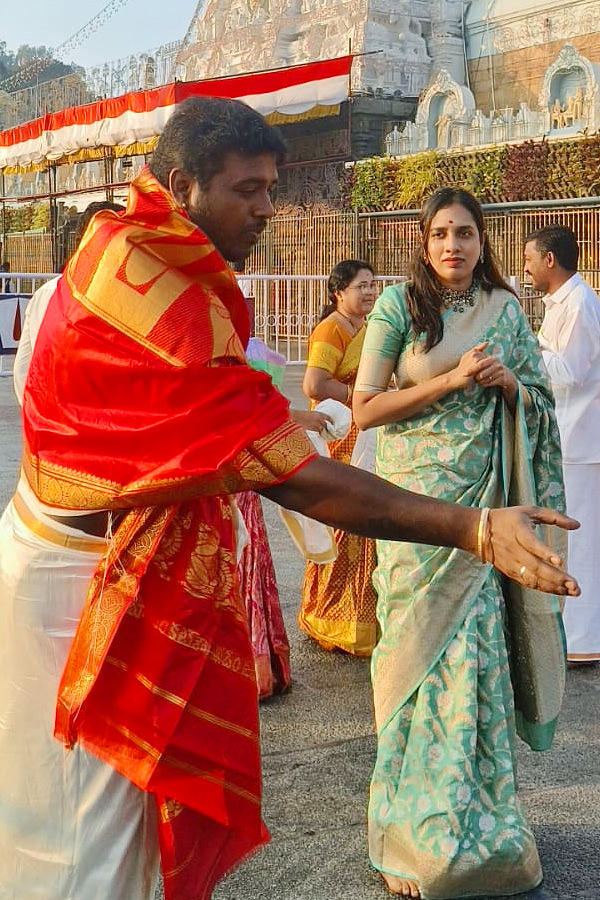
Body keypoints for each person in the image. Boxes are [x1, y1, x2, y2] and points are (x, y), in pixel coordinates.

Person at [0, 100, 578, 900]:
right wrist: (473, 526)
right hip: (85, 580)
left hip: (83, 547)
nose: (270, 208)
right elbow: (299, 472)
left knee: (102, 821)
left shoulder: (126, 246)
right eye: (250, 190)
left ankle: (478, 829)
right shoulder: (166, 307)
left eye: (273, 187)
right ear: (183, 184)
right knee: (87, 832)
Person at [353, 188, 569, 899]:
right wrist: (448, 379)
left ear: (483, 243)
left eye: (467, 234)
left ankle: (481, 829)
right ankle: (409, 832)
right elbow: (366, 407)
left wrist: (511, 387)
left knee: (473, 669)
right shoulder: (396, 309)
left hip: (483, 517)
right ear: (423, 243)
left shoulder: (506, 312)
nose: (454, 246)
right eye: (441, 234)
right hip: (414, 518)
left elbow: (539, 404)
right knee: (409, 665)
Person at [524, 224, 600, 665]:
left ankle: (583, 639)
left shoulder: (579, 304)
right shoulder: (563, 302)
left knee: (583, 541)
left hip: (581, 439)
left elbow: (569, 372)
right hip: (568, 436)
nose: (526, 267)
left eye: (530, 258)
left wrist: (525, 350)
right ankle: (576, 635)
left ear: (550, 260)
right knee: (573, 538)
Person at [299, 259, 378, 655]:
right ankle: (332, 615)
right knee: (345, 524)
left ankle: (362, 620)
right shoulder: (332, 328)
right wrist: (358, 398)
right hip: (341, 438)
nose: (368, 292)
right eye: (361, 286)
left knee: (368, 526)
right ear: (338, 293)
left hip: (363, 436)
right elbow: (314, 382)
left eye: (371, 284)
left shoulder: (365, 328)